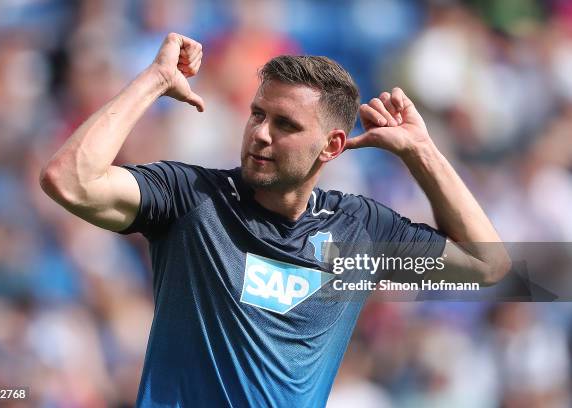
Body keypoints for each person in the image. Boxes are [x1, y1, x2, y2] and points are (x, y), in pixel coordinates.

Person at [40, 33, 511, 407]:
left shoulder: (358, 232)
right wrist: (154, 80)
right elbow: (69, 180)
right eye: (257, 114)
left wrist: (422, 152)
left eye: (285, 125)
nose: (260, 134)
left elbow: (485, 265)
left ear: (331, 146)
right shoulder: (190, 199)